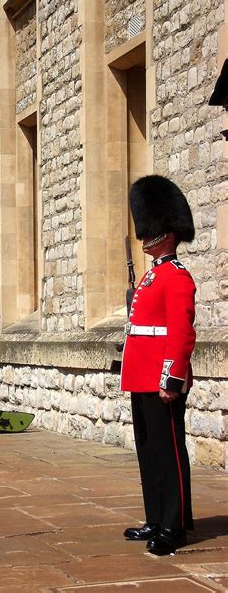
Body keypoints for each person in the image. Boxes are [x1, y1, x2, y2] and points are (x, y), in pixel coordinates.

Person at [121, 174, 196, 556]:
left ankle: (175, 525)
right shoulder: (152, 275)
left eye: (151, 229)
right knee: (148, 450)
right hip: (141, 376)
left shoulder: (177, 276)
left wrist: (172, 378)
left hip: (161, 379)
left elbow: (181, 334)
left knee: (169, 451)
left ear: (166, 233)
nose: (144, 235)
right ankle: (155, 517)